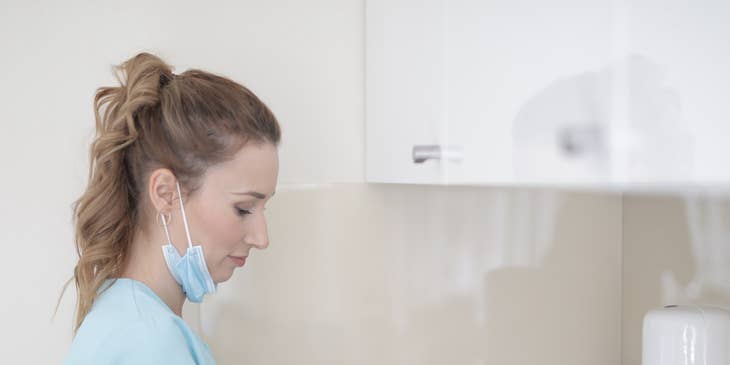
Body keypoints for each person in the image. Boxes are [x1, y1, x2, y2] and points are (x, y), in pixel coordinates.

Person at [60, 51, 281, 364]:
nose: (262, 237)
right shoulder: (151, 343)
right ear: (165, 194)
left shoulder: (122, 312)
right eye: (244, 209)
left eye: (264, 208)